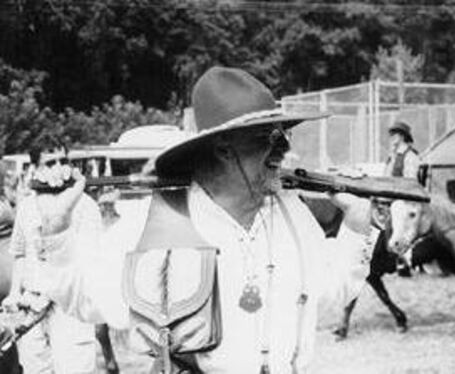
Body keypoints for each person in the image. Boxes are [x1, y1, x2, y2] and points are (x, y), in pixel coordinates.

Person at [19, 67, 365, 373]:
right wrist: (56, 232)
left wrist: (357, 225)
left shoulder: (292, 213)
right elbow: (88, 299)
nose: (284, 150)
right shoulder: (159, 221)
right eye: (268, 138)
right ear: (223, 148)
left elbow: (331, 290)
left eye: (283, 136)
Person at [2, 137, 100, 373]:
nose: (59, 168)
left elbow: (88, 261)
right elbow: (20, 254)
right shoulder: (26, 207)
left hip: (69, 308)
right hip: (30, 308)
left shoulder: (85, 205)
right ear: (36, 168)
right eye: (50, 162)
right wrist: (15, 293)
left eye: (63, 161)